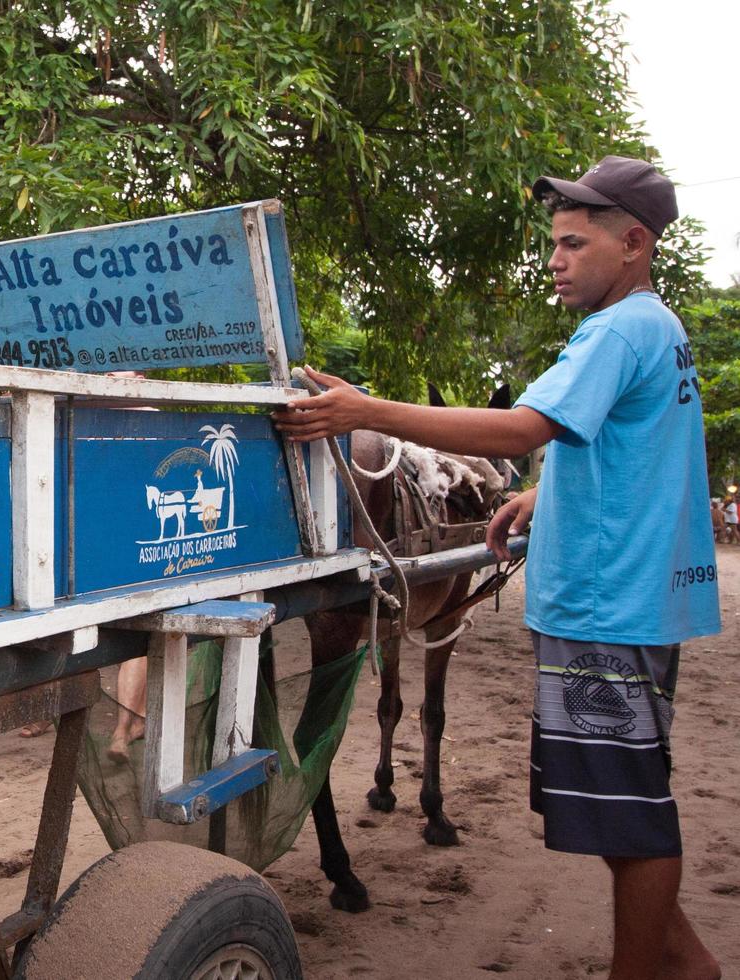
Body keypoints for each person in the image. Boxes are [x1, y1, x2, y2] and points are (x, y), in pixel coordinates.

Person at [273, 155, 720, 980]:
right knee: (617, 806)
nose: (556, 258)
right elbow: (633, 450)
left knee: (632, 817)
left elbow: (519, 430)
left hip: (608, 606)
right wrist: (547, 498)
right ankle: (684, 961)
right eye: (554, 242)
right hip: (628, 594)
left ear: (634, 245)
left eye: (575, 243)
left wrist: (368, 410)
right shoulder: (651, 327)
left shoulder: (619, 329)